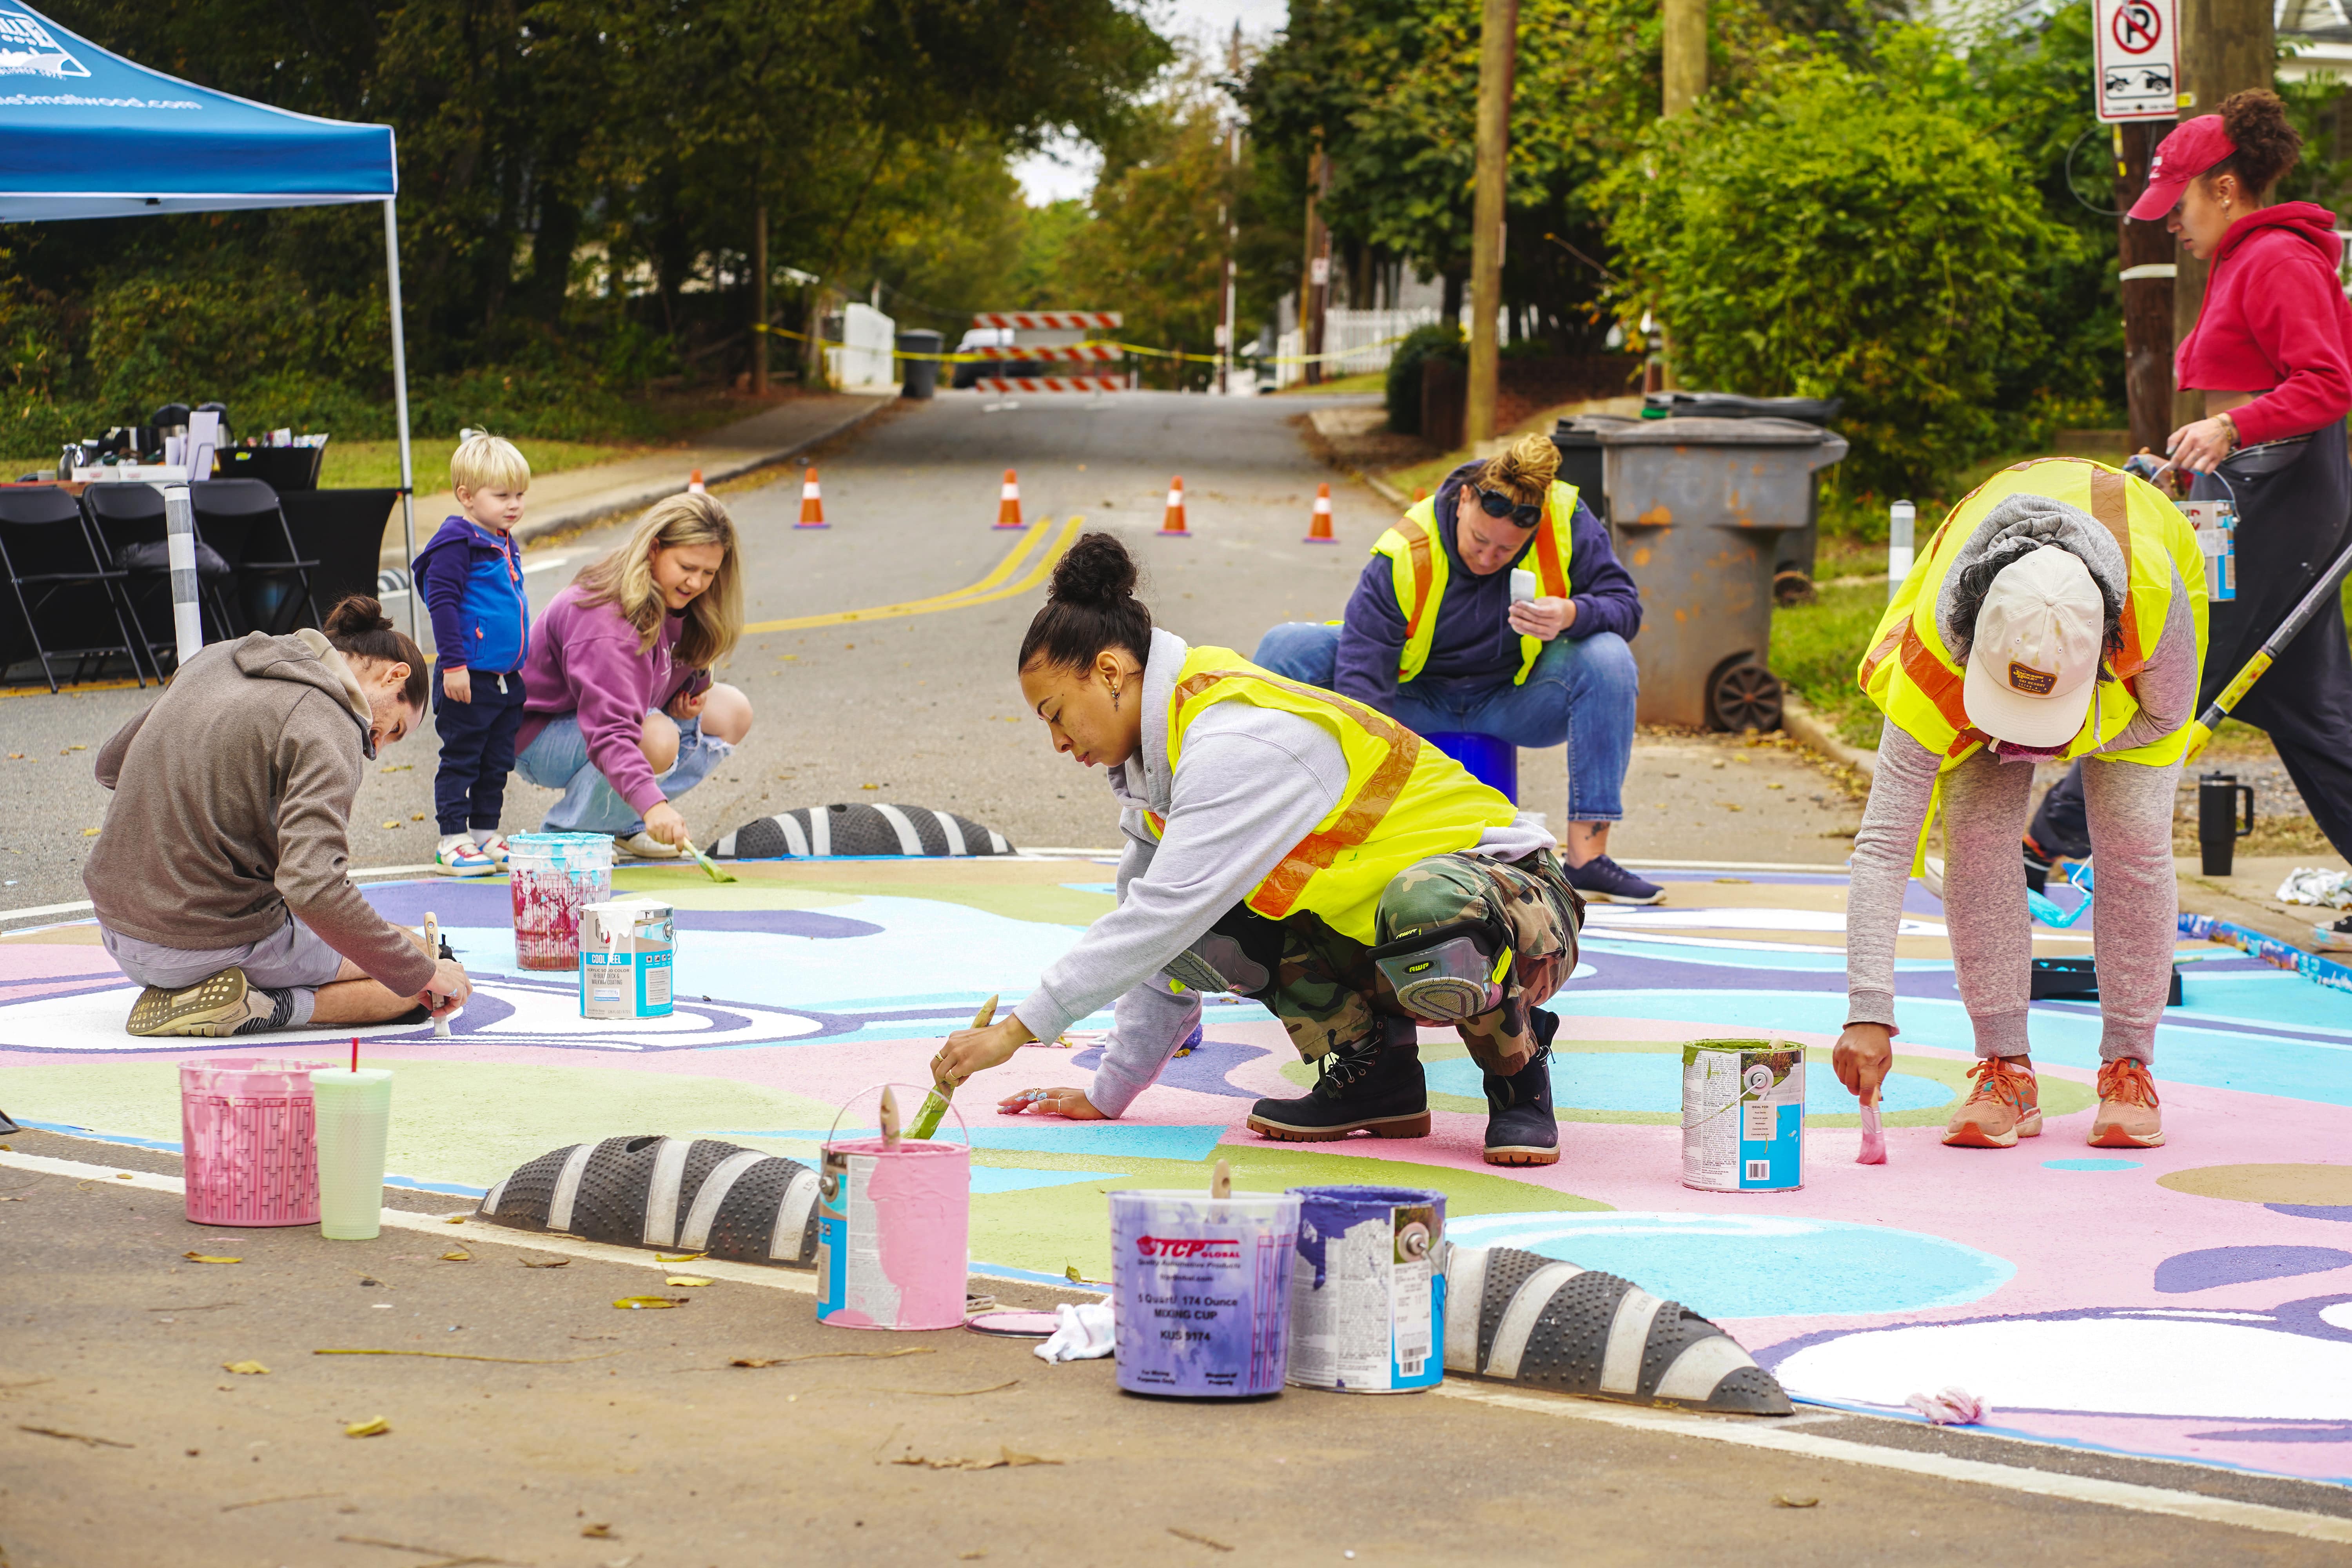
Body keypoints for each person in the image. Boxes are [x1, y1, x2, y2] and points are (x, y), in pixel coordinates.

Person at [932, 533, 1587, 1165]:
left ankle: (1519, 1079)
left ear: (1109, 672)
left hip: (1521, 912)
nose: (1057, 741)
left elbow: (1159, 915)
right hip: (1401, 943)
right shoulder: (1161, 777)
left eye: (1055, 713)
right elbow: (1154, 940)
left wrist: (1013, 1032)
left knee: (1426, 906)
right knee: (1199, 927)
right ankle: (1376, 1075)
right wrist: (1108, 1095)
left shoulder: (1232, 740)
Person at [2027, 91, 2352, 900]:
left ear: (2225, 188)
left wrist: (2232, 429)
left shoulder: (2277, 258)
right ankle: (2048, 840)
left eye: (2179, 204)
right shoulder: (2245, 258)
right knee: (2317, 718)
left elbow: (2327, 382)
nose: (2170, 222)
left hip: (2278, 502)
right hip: (2260, 495)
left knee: (2171, 669)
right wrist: (2194, 459)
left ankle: (2044, 843)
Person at [1834, 459, 2206, 1151]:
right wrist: (1868, 1009)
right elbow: (1884, 845)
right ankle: (2005, 1067)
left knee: (2133, 838)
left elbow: (2163, 719)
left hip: (2133, 638)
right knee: (1975, 837)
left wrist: (2069, 735)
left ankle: (2129, 1067)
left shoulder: (2154, 610)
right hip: (1983, 637)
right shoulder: (1933, 658)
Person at [1252, 433, 1658, 904]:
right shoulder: (1408, 547)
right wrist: (1370, 806)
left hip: (1517, 701)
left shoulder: (1567, 519)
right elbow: (1366, 675)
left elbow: (1626, 607)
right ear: (1464, 500)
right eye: (1480, 540)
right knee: (1288, 646)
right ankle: (1263, 835)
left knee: (1608, 654)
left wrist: (1572, 614)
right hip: (1414, 702)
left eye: (1507, 551)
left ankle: (1588, 861)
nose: (1488, 558)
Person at [87, 597, 473, 1037]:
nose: (376, 747)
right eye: (394, 729)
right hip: (206, 939)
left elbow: (110, 764)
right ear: (395, 675)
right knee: (417, 981)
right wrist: (423, 974)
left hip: (118, 927)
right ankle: (258, 1008)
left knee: (416, 952)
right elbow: (313, 887)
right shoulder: (332, 724)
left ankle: (203, 991)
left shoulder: (216, 658)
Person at [514, 492, 753, 857]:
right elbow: (610, 730)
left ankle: (621, 822)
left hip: (612, 717)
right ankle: (570, 834)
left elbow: (676, 665)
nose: (696, 583)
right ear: (654, 549)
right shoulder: (606, 619)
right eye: (687, 567)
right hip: (538, 735)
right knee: (657, 736)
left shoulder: (681, 597)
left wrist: (693, 690)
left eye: (709, 573)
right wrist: (654, 805)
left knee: (733, 711)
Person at [414, 432, 534, 877]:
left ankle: (485, 832)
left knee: (497, 760)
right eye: (502, 495)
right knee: (462, 757)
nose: (514, 505)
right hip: (468, 674)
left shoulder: (502, 538)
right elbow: (442, 603)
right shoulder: (457, 543)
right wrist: (455, 665)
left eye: (519, 494)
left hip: (504, 679)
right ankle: (452, 839)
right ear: (466, 496)